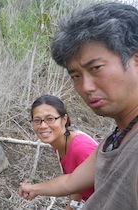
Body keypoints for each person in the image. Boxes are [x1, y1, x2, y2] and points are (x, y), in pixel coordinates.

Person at [19, 2, 138, 210]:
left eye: (96, 68)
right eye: (76, 76)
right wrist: (36, 189)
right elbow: (71, 181)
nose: (86, 86)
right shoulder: (117, 137)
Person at [30, 94, 98, 209]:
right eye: (37, 120)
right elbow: (77, 184)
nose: (43, 125)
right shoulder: (59, 144)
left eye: (50, 119)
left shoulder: (81, 148)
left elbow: (109, 190)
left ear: (64, 119)